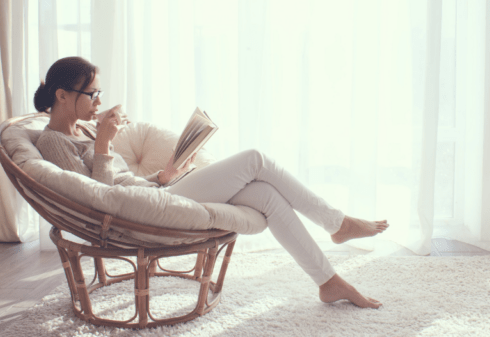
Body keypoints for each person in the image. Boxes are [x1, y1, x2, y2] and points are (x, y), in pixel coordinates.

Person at [33, 56, 389, 308]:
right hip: (140, 216)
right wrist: (104, 144)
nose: (99, 102)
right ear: (62, 95)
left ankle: (328, 282)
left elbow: (122, 183)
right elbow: (96, 200)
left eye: (99, 93)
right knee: (255, 159)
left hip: (154, 195)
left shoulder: (84, 129)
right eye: (91, 94)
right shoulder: (54, 141)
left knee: (264, 193)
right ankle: (337, 223)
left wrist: (164, 176)